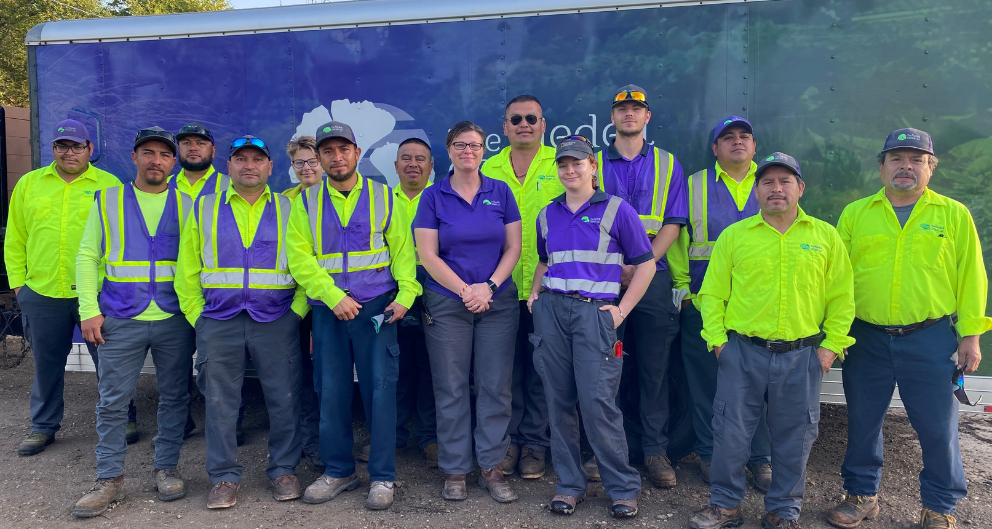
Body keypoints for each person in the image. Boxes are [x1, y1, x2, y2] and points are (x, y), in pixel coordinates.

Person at [826, 129, 990, 529]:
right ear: (881, 167)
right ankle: (861, 495)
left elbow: (972, 277)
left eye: (916, 159)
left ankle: (939, 508)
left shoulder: (953, 215)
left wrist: (970, 336)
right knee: (863, 422)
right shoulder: (856, 214)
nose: (906, 166)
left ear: (931, 168)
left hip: (930, 339)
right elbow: (836, 280)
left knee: (937, 428)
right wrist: (836, 334)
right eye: (896, 158)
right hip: (866, 337)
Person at [688, 153, 855, 529]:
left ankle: (783, 511)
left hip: (803, 355)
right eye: (767, 182)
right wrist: (718, 342)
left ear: (801, 188)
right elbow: (712, 295)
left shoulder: (825, 237)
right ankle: (725, 506)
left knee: (796, 437)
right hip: (742, 353)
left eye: (785, 181)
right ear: (756, 190)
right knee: (729, 433)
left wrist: (829, 349)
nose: (776, 188)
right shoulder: (735, 236)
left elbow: (843, 299)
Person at [287, 121, 420, 511]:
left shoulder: (385, 197)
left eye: (343, 149)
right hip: (330, 312)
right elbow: (300, 258)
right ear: (320, 157)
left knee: (380, 391)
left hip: (377, 310)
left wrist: (406, 296)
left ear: (357, 153)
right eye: (328, 151)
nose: (337, 157)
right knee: (331, 392)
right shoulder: (305, 203)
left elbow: (403, 253)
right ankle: (339, 470)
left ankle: (382, 475)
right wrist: (332, 297)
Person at [175, 135, 308, 510]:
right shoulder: (204, 208)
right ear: (228, 165)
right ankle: (223, 477)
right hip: (219, 321)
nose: (249, 165)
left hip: (277, 319)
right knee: (220, 404)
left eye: (257, 159)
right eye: (241, 159)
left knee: (284, 399)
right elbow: (187, 270)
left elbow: (307, 264)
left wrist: (296, 313)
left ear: (270, 167)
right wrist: (198, 317)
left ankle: (283, 470)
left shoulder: (290, 208)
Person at [528, 136, 655, 519]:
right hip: (552, 312)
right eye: (563, 164)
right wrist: (534, 296)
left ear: (593, 167)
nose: (570, 170)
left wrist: (621, 311)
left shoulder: (617, 210)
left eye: (577, 163)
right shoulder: (547, 214)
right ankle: (569, 486)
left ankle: (623, 488)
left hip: (594, 316)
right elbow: (545, 261)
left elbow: (646, 264)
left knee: (598, 403)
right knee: (558, 402)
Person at [71, 128, 196, 517]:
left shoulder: (189, 204)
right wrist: (88, 309)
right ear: (134, 157)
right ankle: (109, 478)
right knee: (112, 401)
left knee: (175, 397)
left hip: (174, 317)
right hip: (121, 317)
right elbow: (87, 256)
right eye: (148, 152)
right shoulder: (108, 200)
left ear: (173, 162)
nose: (156, 160)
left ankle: (166, 468)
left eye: (164, 154)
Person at [414, 121, 522, 503]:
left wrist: (488, 287)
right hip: (448, 302)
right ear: (449, 150)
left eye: (475, 145)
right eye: (460, 145)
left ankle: (491, 467)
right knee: (451, 386)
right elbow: (428, 255)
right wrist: (465, 290)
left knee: (495, 385)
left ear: (483, 150)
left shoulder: (501, 191)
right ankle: (455, 469)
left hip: (497, 301)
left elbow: (514, 248)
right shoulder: (433, 196)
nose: (468, 151)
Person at [586, 84, 688, 488]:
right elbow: (583, 218)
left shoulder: (668, 163)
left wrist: (640, 265)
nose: (629, 114)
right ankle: (604, 453)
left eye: (636, 109)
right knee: (604, 369)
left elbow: (674, 223)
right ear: (612, 117)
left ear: (647, 117)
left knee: (654, 368)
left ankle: (655, 452)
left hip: (653, 280)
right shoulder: (592, 162)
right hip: (603, 280)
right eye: (622, 109)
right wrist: (620, 268)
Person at [5, 119, 124, 456]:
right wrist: (19, 286)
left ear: (90, 149)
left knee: (110, 362)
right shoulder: (30, 184)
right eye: (62, 146)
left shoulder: (109, 185)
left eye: (76, 146)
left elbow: (121, 240)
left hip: (96, 293)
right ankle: (43, 427)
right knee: (47, 365)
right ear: (53, 149)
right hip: (43, 292)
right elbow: (15, 238)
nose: (69, 152)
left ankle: (123, 418)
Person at [668, 116, 772, 491]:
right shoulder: (694, 185)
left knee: (759, 388)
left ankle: (761, 460)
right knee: (705, 387)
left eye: (745, 136)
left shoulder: (772, 183)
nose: (737, 141)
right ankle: (710, 454)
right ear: (715, 148)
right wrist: (683, 292)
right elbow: (679, 241)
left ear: (754, 146)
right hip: (703, 305)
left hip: (759, 308)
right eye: (727, 137)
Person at [482, 95, 562, 479]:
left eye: (532, 118)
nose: (524, 124)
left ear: (543, 125)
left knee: (542, 371)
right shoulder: (488, 168)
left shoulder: (561, 164)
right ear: (505, 127)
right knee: (503, 373)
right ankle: (508, 443)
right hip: (500, 288)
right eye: (516, 119)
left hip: (548, 289)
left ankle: (535, 444)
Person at [283, 135, 324, 472]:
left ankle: (321, 442)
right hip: (293, 306)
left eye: (312, 161)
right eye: (300, 162)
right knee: (298, 377)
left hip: (326, 301)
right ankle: (303, 443)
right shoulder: (284, 202)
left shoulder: (335, 198)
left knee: (324, 377)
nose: (306, 167)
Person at [168, 123, 231, 199]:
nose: (193, 148)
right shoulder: (163, 185)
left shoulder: (231, 186)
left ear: (213, 151)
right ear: (179, 149)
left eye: (201, 143)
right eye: (186, 143)